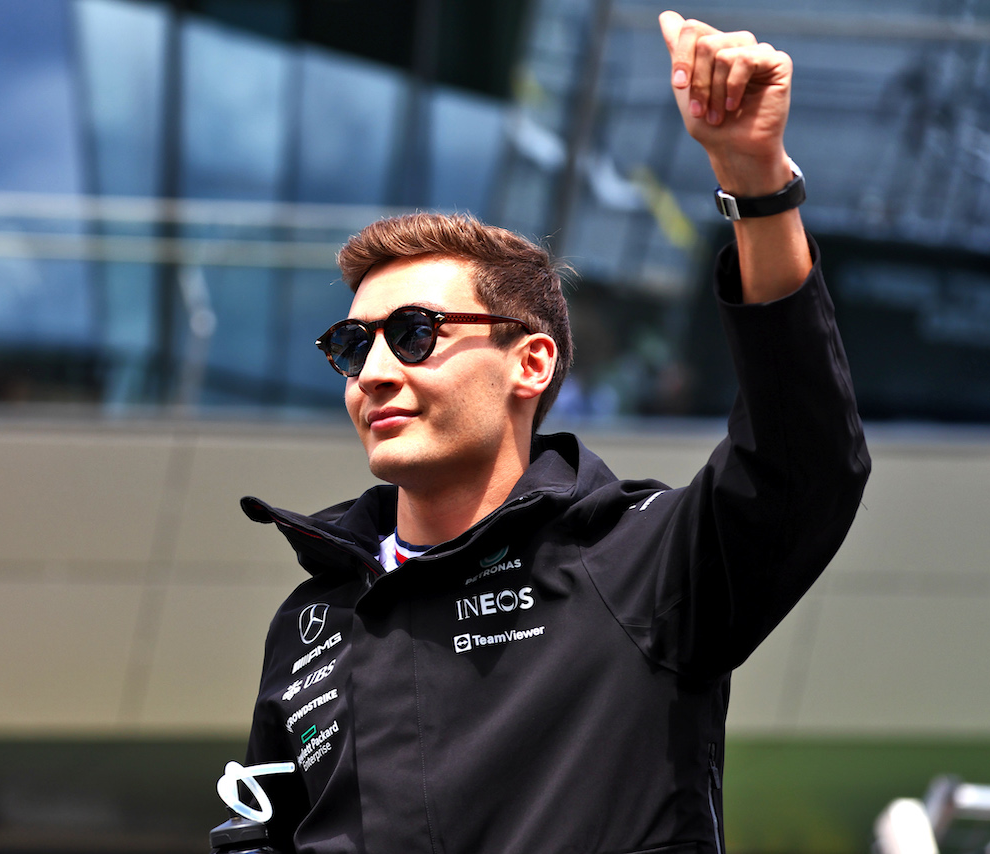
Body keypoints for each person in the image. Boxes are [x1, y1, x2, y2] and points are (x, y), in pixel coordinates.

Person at [237, 11, 872, 854]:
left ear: (530, 363)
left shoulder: (639, 559)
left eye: (417, 333)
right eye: (353, 346)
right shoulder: (312, 619)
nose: (376, 373)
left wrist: (757, 185)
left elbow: (804, 461)